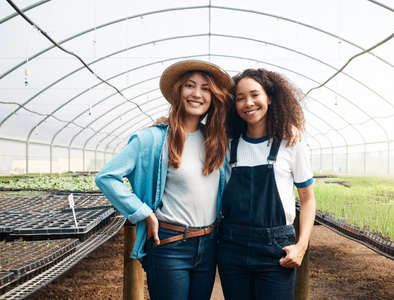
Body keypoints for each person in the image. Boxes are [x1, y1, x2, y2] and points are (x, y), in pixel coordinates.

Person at [95, 60, 232, 300]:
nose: (197, 94)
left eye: (205, 88)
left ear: (214, 97)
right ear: (178, 91)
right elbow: (107, 177)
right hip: (170, 244)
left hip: (209, 245)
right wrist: (143, 212)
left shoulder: (216, 141)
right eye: (190, 85)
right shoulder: (153, 139)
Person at [218, 68, 316, 300]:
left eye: (255, 95)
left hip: (276, 249)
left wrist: (301, 246)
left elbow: (308, 200)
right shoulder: (228, 144)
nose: (248, 103)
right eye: (240, 98)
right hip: (233, 245)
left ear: (270, 97)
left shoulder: (291, 144)